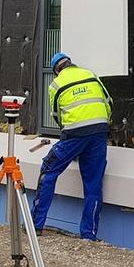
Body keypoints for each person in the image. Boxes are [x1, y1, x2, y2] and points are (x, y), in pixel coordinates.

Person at [31, 52, 113, 241]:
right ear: (71, 64)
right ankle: (88, 235)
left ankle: (36, 225)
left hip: (74, 134)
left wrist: (72, 141)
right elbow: (108, 103)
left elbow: (57, 115)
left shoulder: (56, 85)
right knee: (93, 184)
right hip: (100, 131)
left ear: (56, 71)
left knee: (48, 170)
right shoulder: (90, 74)